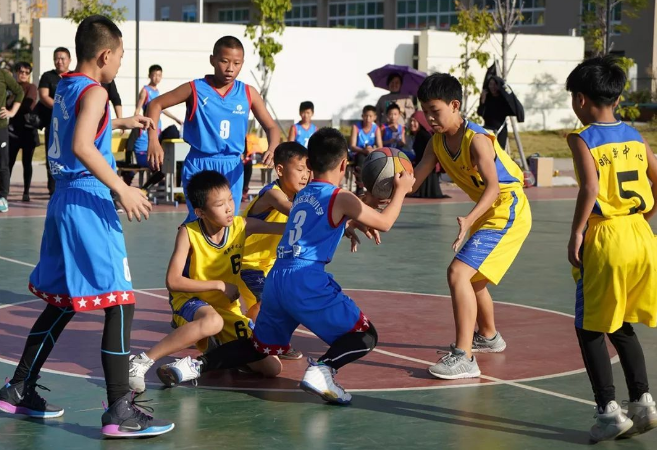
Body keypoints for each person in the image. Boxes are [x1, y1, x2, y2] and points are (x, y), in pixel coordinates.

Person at [0, 15, 174, 438]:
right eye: (120, 58)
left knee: (62, 302)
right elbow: (81, 145)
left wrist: (120, 123)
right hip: (87, 199)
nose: (120, 65)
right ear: (106, 55)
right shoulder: (96, 91)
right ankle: (119, 409)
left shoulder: (67, 86)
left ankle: (19, 386)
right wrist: (122, 188)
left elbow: (76, 131)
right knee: (120, 301)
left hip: (64, 201)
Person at [155, 127, 415, 404]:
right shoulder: (341, 197)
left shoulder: (302, 196)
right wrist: (400, 191)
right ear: (343, 164)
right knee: (365, 336)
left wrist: (355, 216)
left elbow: (330, 215)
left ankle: (191, 366)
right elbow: (384, 222)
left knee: (259, 347)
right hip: (306, 278)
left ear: (310, 164)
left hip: (277, 278)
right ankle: (324, 370)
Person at [413, 73, 532, 379]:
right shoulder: (437, 142)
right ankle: (489, 337)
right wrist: (377, 197)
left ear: (455, 105)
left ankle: (464, 356)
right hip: (489, 210)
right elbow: (414, 181)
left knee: (457, 273)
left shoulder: (476, 139)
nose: (429, 118)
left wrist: (469, 219)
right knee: (473, 279)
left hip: (507, 208)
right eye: (425, 112)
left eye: (435, 111)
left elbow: (493, 187)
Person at [565, 56, 657, 442]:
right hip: (640, 234)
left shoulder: (582, 138)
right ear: (617, 99)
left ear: (581, 99)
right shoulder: (635, 136)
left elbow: (590, 187)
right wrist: (644, 218)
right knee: (619, 322)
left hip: (607, 237)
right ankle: (643, 401)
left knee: (588, 326)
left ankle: (608, 412)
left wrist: (577, 233)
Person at [128, 170, 284, 392]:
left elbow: (286, 228)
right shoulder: (188, 233)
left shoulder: (242, 225)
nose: (229, 207)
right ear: (200, 212)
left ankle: (214, 350)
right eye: (220, 204)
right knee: (213, 322)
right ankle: (141, 361)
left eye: (230, 199)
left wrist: (326, 222)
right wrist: (219, 285)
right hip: (190, 301)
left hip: (225, 307)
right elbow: (173, 281)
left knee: (271, 367)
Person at [146, 36, 279, 218]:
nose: (230, 68)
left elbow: (272, 127)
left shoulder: (248, 93)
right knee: (199, 220)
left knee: (227, 221)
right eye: (224, 61)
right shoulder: (195, 88)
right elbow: (155, 104)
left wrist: (273, 147)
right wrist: (153, 140)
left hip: (232, 165)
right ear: (212, 60)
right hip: (200, 164)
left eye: (236, 63)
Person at [238, 141, 310, 359]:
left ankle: (265, 338)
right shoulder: (273, 194)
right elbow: (295, 213)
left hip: (271, 265)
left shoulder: (300, 196)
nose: (305, 175)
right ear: (280, 169)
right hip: (247, 263)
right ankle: (248, 340)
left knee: (292, 299)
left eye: (308, 170)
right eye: (300, 169)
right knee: (268, 303)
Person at [38, 47, 72, 196]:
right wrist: (61, 109)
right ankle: (53, 189)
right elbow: (44, 96)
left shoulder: (74, 77)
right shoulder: (47, 77)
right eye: (56, 58)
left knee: (70, 154)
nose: (59, 61)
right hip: (53, 125)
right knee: (53, 156)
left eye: (62, 58)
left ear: (69, 60)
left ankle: (70, 185)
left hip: (71, 125)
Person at [8, 62, 38, 202]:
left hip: (27, 130)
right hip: (12, 130)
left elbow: (28, 105)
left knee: (27, 162)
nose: (24, 75)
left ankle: (26, 191)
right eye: (21, 72)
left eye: (27, 72)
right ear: (16, 73)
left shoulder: (31, 87)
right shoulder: (11, 88)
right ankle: (4, 191)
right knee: (9, 162)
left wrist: (12, 108)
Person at [0, 64, 25, 212]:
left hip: (1, 127)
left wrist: (12, 112)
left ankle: (2, 197)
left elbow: (19, 92)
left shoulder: (3, 75)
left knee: (2, 164)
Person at [408, 111, 448, 199]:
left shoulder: (423, 135)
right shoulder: (420, 134)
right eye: (411, 121)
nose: (412, 123)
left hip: (429, 167)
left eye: (415, 121)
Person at [349, 105, 382, 196]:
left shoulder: (376, 128)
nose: (368, 119)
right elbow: (352, 146)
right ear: (362, 116)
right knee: (360, 159)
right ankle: (359, 188)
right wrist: (364, 150)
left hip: (371, 152)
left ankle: (374, 188)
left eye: (370, 116)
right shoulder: (356, 127)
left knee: (378, 159)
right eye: (366, 116)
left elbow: (380, 146)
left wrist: (372, 150)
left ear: (375, 117)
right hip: (358, 152)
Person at [477, 77, 513, 150]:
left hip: (500, 130)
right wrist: (482, 101)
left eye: (495, 84)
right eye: (490, 84)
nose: (492, 87)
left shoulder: (503, 99)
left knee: (499, 151)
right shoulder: (487, 98)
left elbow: (511, 109)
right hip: (488, 129)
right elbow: (480, 113)